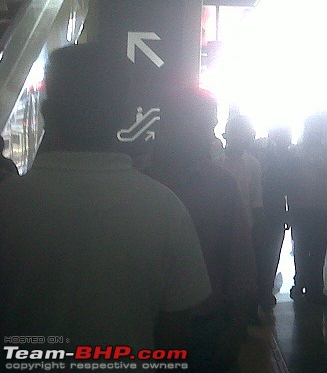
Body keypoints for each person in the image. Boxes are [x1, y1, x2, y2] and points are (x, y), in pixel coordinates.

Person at [0, 44, 211, 353]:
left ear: (47, 111)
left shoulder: (8, 202)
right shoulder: (165, 209)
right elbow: (176, 329)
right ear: (124, 115)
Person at [147, 88, 257, 372]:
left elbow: (239, 267)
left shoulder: (223, 185)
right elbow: (239, 268)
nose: (211, 135)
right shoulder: (222, 186)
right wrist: (234, 333)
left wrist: (233, 334)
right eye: (206, 125)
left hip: (182, 329)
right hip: (178, 328)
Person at [287, 114, 327, 306]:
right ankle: (314, 288)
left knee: (302, 249)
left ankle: (301, 285)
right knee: (315, 251)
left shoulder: (296, 152)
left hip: (302, 209)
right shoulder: (325, 152)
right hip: (317, 209)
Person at [253, 126, 293, 311]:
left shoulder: (262, 155)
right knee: (269, 254)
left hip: (268, 212)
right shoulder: (274, 159)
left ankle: (260, 291)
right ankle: (263, 292)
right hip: (272, 211)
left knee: (263, 253)